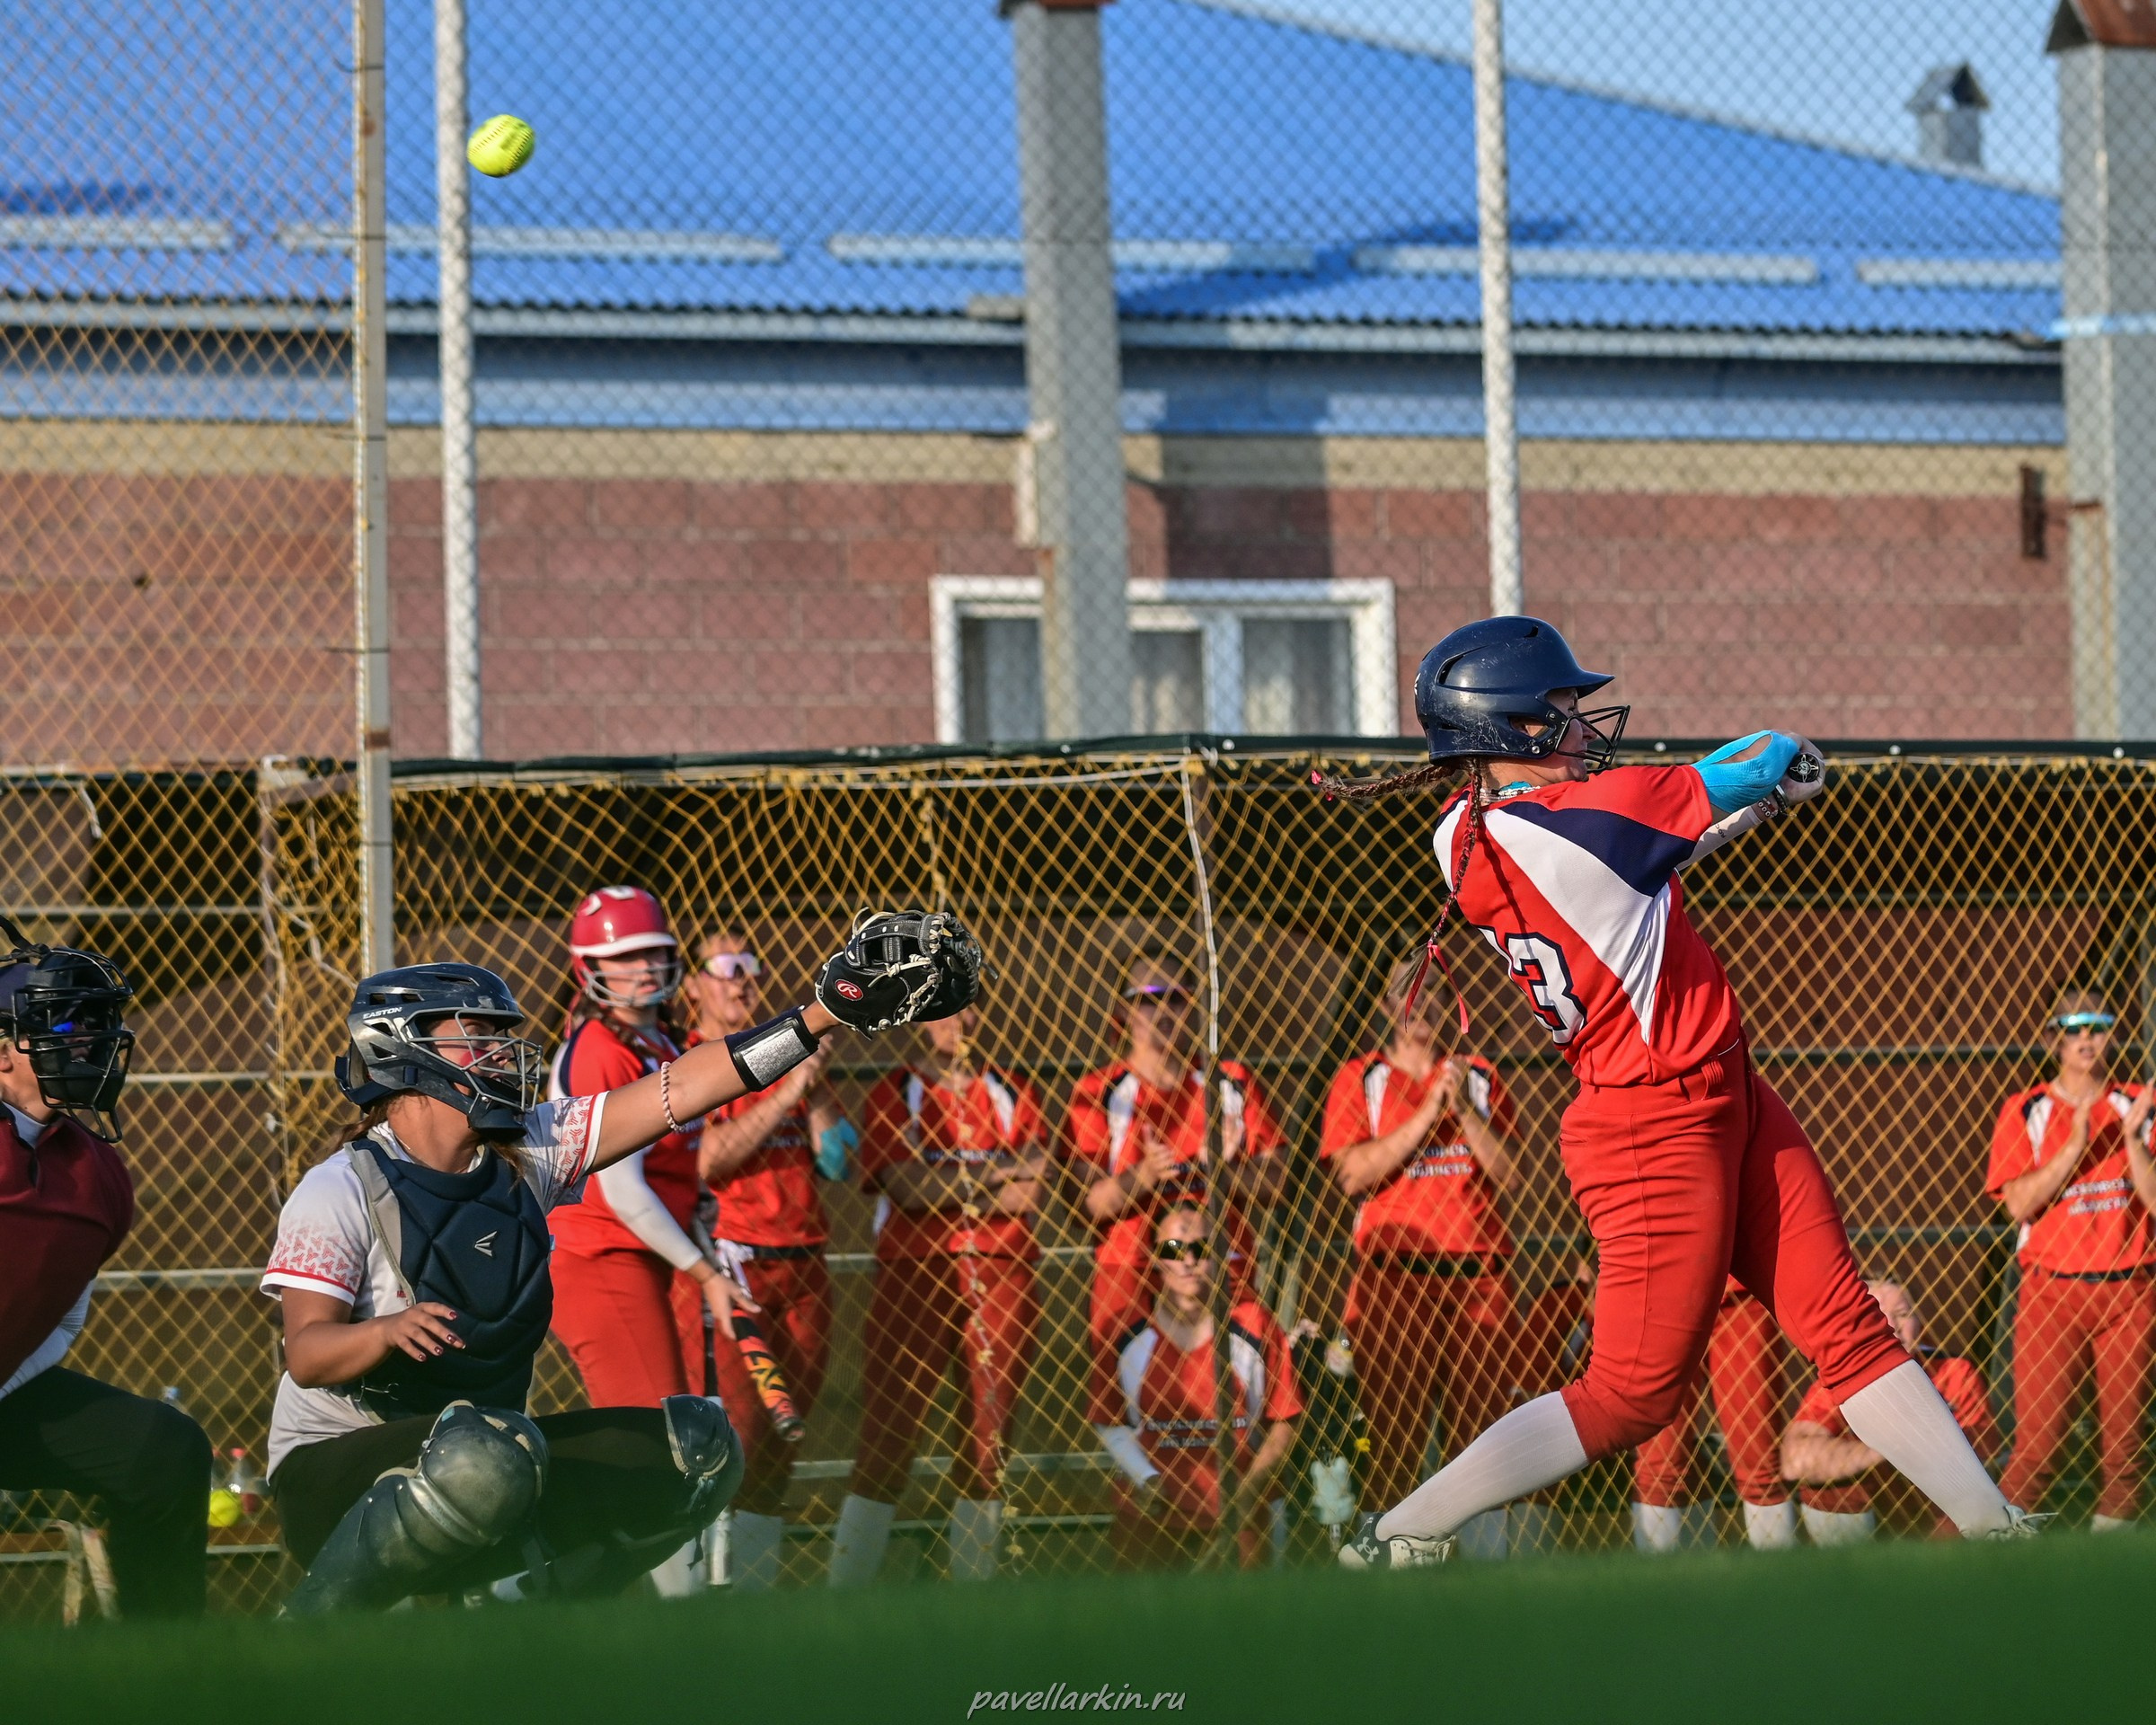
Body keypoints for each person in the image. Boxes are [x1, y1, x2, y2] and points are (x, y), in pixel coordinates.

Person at [1321, 615, 2029, 1569]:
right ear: (1509, 729)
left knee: (1846, 1325)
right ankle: (1408, 1527)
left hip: (1721, 1093)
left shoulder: (1463, 833)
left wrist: (1743, 814)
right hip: (1652, 1122)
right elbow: (1754, 758)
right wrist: (1788, 765)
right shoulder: (1587, 818)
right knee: (1631, 1395)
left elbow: (1634, 873)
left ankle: (1999, 1533)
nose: (1581, 726)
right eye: (1561, 711)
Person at [259, 910, 976, 1613]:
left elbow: (684, 1087)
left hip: (484, 1453)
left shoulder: (527, 1154)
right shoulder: (340, 1188)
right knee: (485, 1451)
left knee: (700, 1450)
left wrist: (822, 1014)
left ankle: (529, 1623)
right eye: (476, 1035)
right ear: (403, 1049)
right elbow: (309, 1354)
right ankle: (317, 1628)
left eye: (502, 1037)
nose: (503, 1052)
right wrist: (383, 1331)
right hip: (335, 1472)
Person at [0, 922, 211, 1617]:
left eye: (95, 1021)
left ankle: (163, 1669)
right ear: (3, 1052)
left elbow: (57, 1317)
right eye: (62, 1022)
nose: (87, 1038)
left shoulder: (99, 1177)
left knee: (162, 1450)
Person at [545, 887, 743, 1595]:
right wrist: (706, 1272)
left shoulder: (662, 1043)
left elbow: (665, 1172)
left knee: (658, 1445)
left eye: (652, 953)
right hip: (600, 1259)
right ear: (590, 968)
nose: (643, 968)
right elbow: (622, 1190)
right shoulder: (598, 1049)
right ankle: (671, 1611)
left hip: (639, 1260)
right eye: (623, 959)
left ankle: (533, 1588)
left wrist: (698, 1211)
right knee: (667, 1451)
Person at [827, 1003, 1047, 1587]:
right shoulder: (895, 1092)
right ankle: (840, 1597)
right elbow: (906, 1187)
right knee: (887, 1443)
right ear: (917, 1018)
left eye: (970, 1007)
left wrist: (945, 1183)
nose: (959, 1020)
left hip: (1003, 1270)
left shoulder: (1012, 1091)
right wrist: (998, 1173)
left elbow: (1029, 1195)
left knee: (988, 1446)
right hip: (914, 1274)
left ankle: (972, 1600)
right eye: (943, 1009)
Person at [1318, 957, 1522, 1559]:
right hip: (1394, 1281)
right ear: (1387, 1007)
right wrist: (1428, 1113)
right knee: (1396, 1444)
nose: (1423, 1004)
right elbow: (1353, 1173)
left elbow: (1511, 1176)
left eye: (1434, 991)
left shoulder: (1478, 1077)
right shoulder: (1362, 1078)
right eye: (1408, 993)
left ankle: (1486, 1576)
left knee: (1483, 1446)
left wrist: (1461, 1110)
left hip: (1478, 1279)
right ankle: (1395, 1570)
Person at [680, 928, 854, 1590]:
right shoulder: (694, 1061)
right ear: (695, 983)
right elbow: (706, 1161)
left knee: (786, 1439)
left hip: (806, 1260)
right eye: (725, 968)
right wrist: (783, 1094)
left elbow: (839, 1162)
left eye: (750, 969)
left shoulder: (783, 1054)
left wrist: (814, 1089)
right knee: (739, 1439)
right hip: (736, 1264)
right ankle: (705, 1589)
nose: (741, 981)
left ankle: (751, 1594)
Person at [1061, 951, 1286, 1365]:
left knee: (1236, 1417)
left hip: (1222, 1277)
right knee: (1134, 1421)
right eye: (1147, 997)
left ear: (1194, 1007)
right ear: (1122, 1010)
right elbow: (1085, 1205)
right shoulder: (1098, 1093)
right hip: (1129, 1280)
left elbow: (1276, 1184)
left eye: (1176, 996)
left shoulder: (1230, 1082)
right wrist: (1143, 1174)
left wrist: (1224, 1171)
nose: (1162, 1009)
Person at [1984, 990, 2156, 1531]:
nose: (2088, 1037)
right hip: (2051, 1293)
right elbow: (2018, 1203)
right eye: (2075, 1026)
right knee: (2036, 1450)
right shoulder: (2027, 1108)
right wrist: (2073, 1147)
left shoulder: (2137, 1104)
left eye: (2099, 1024)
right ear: (2054, 1038)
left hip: (2129, 1293)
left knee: (2125, 1455)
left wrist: (2132, 1142)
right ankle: (1980, 1567)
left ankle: (2108, 1588)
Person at [1090, 1205, 1303, 1570]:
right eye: (1173, 1249)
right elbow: (1109, 1420)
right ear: (1155, 1259)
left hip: (1240, 1508)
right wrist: (1146, 1479)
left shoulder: (1254, 1324)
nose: (1188, 1260)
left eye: (1201, 1248)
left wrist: (1247, 1492)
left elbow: (1286, 1418)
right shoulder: (1126, 1332)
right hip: (1151, 1508)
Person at [1782, 1279, 2002, 1544]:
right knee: (1836, 1490)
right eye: (1875, 1315)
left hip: (1941, 1514)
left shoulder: (1953, 1371)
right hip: (1874, 1514)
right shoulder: (1837, 1383)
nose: (1892, 1326)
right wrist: (1889, 1448)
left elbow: (1984, 1456)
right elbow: (1796, 1462)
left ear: (1919, 1323)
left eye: (1902, 1314)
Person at [1630, 1283, 1796, 1552]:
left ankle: (1779, 1583)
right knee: (1659, 1463)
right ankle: (1656, 1587)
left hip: (1740, 1289)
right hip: (1661, 1290)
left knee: (1761, 1463)